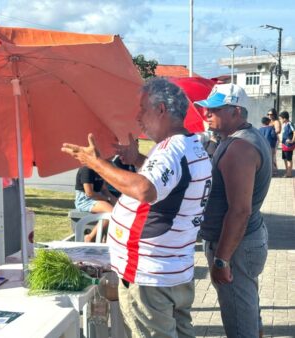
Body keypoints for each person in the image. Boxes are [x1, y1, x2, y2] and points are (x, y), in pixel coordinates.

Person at [62, 77, 212, 337]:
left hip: (150, 275)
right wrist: (138, 159)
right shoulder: (189, 146)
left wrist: (95, 163)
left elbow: (144, 189)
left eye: (143, 108)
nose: (138, 116)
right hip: (171, 270)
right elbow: (172, 184)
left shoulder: (170, 150)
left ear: (161, 109)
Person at [194, 83, 271, 338]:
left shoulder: (239, 148)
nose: (207, 115)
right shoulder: (242, 139)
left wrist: (221, 259)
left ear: (236, 111)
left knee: (240, 320)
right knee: (248, 310)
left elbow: (239, 210)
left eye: (215, 110)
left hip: (235, 247)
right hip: (245, 240)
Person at [74, 165, 116, 242]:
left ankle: (105, 238)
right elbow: (89, 193)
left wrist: (117, 202)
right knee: (111, 212)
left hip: (98, 196)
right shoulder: (87, 169)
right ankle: (90, 237)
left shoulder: (101, 168)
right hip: (85, 200)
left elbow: (104, 189)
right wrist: (108, 199)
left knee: (119, 209)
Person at [279, 111, 295, 178]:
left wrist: (292, 140)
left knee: (289, 159)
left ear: (284, 118)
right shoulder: (284, 125)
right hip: (284, 144)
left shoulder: (290, 124)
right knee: (285, 158)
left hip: (289, 145)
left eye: (281, 118)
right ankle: (287, 171)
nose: (280, 120)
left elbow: (294, 132)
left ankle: (289, 173)